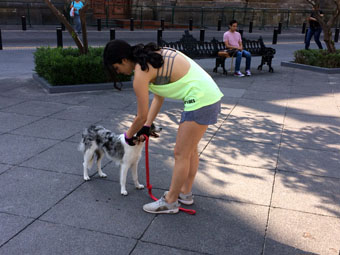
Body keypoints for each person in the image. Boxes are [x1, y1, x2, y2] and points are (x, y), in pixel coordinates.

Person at [103, 40, 224, 214]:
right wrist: (146, 126)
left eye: (116, 68)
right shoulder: (149, 57)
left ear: (123, 60)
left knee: (180, 153)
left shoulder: (140, 73)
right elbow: (158, 97)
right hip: (207, 94)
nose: (119, 72)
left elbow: (140, 115)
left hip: (200, 99)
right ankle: (185, 194)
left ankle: (170, 202)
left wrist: (128, 136)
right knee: (189, 151)